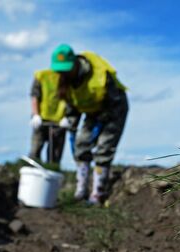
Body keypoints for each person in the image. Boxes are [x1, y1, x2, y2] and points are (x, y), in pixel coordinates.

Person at [48, 43, 128, 205]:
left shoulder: (100, 76)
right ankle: (81, 189)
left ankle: (97, 194)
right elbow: (73, 106)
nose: (63, 73)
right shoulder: (66, 81)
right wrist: (70, 122)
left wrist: (101, 124)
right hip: (92, 111)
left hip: (114, 108)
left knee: (104, 147)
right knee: (81, 144)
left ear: (75, 64)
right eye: (60, 70)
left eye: (66, 69)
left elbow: (113, 101)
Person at [29, 61, 75, 166]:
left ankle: (52, 173)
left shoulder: (70, 80)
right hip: (41, 120)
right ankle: (33, 173)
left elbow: (73, 100)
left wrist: (67, 117)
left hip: (59, 123)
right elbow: (34, 96)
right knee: (35, 151)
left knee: (54, 156)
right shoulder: (42, 76)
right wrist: (36, 115)